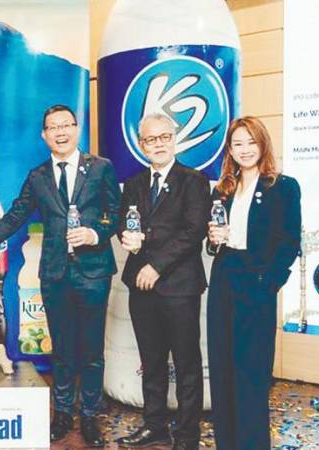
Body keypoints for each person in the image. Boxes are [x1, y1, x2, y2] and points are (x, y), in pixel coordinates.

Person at [0, 104, 120, 447]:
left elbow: (115, 215)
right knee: (61, 349)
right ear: (44, 135)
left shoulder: (101, 168)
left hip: (93, 272)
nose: (60, 132)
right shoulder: (38, 176)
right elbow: (13, 217)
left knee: (91, 350)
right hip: (55, 273)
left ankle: (89, 417)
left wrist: (95, 234)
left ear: (76, 129)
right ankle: (62, 415)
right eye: (52, 127)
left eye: (66, 125)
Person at [116, 113, 211, 450]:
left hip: (179, 287)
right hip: (140, 288)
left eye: (163, 137)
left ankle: (187, 437)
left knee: (186, 364)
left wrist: (155, 265)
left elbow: (193, 232)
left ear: (174, 138)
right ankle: (154, 426)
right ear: (141, 145)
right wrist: (126, 237)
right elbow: (123, 223)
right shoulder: (134, 183)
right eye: (150, 140)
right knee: (151, 361)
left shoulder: (194, 181)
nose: (157, 144)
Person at [206, 117, 301, 450]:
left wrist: (269, 283)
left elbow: (290, 243)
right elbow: (212, 242)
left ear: (263, 144)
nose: (245, 150)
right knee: (221, 369)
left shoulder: (283, 187)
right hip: (223, 280)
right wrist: (213, 239)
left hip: (257, 283)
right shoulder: (223, 189)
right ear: (230, 150)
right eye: (237, 144)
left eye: (251, 142)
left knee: (251, 373)